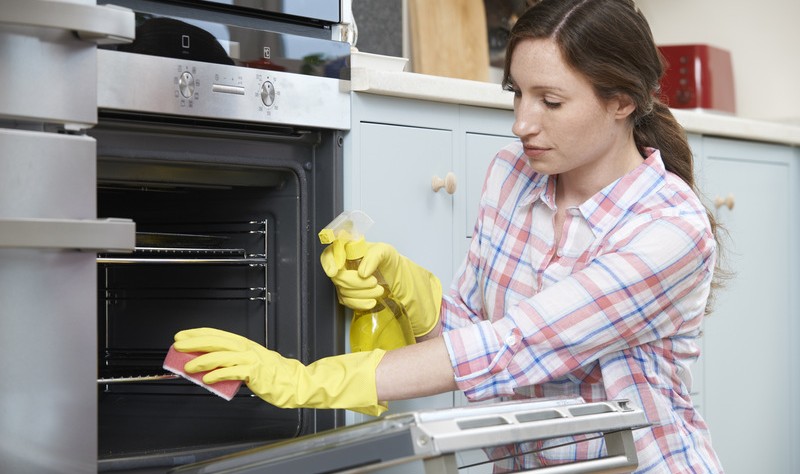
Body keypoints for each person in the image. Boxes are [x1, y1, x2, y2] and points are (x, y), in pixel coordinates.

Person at [172, 0, 725, 471]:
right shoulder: (513, 175)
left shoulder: (669, 231)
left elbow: (516, 348)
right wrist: (406, 289)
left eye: (550, 102)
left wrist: (305, 380)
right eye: (517, 93)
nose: (521, 123)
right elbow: (474, 330)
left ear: (622, 102)